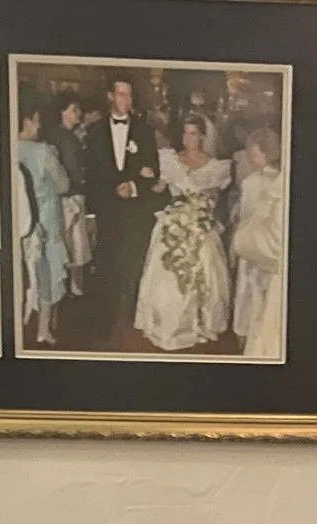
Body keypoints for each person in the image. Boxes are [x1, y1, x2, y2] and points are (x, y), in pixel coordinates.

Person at [135, 115, 235, 354]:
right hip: (173, 222)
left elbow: (214, 199)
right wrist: (147, 179)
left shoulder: (216, 166)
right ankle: (167, 324)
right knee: (166, 273)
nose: (189, 138)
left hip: (199, 225)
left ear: (202, 135)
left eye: (193, 133)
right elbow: (159, 188)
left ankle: (200, 323)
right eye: (185, 133)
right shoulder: (170, 160)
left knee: (206, 268)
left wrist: (202, 209)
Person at [90, 77, 162, 328]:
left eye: (129, 96)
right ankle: (104, 320)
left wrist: (132, 186)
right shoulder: (95, 131)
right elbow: (93, 172)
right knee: (106, 262)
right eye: (121, 95)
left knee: (133, 261)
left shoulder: (144, 130)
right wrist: (113, 189)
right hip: (108, 208)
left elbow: (153, 169)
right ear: (110, 96)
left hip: (135, 208)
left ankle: (133, 316)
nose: (126, 101)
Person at [14, 102, 70, 347]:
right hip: (44, 221)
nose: (39, 125)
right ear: (26, 121)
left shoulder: (4, 148)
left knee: (20, 274)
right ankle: (43, 329)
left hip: (17, 223)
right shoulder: (43, 152)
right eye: (36, 120)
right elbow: (64, 186)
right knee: (47, 274)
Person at [231, 127, 287, 362]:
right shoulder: (281, 180)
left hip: (254, 247)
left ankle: (246, 334)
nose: (250, 158)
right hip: (271, 251)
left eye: (253, 154)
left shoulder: (252, 182)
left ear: (266, 154)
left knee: (249, 292)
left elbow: (244, 216)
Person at [51, 95, 95, 300]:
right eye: (74, 109)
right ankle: (73, 289)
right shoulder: (64, 138)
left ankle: (72, 287)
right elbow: (73, 168)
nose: (78, 113)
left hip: (70, 194)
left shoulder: (67, 135)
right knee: (74, 242)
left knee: (75, 242)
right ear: (63, 111)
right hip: (69, 196)